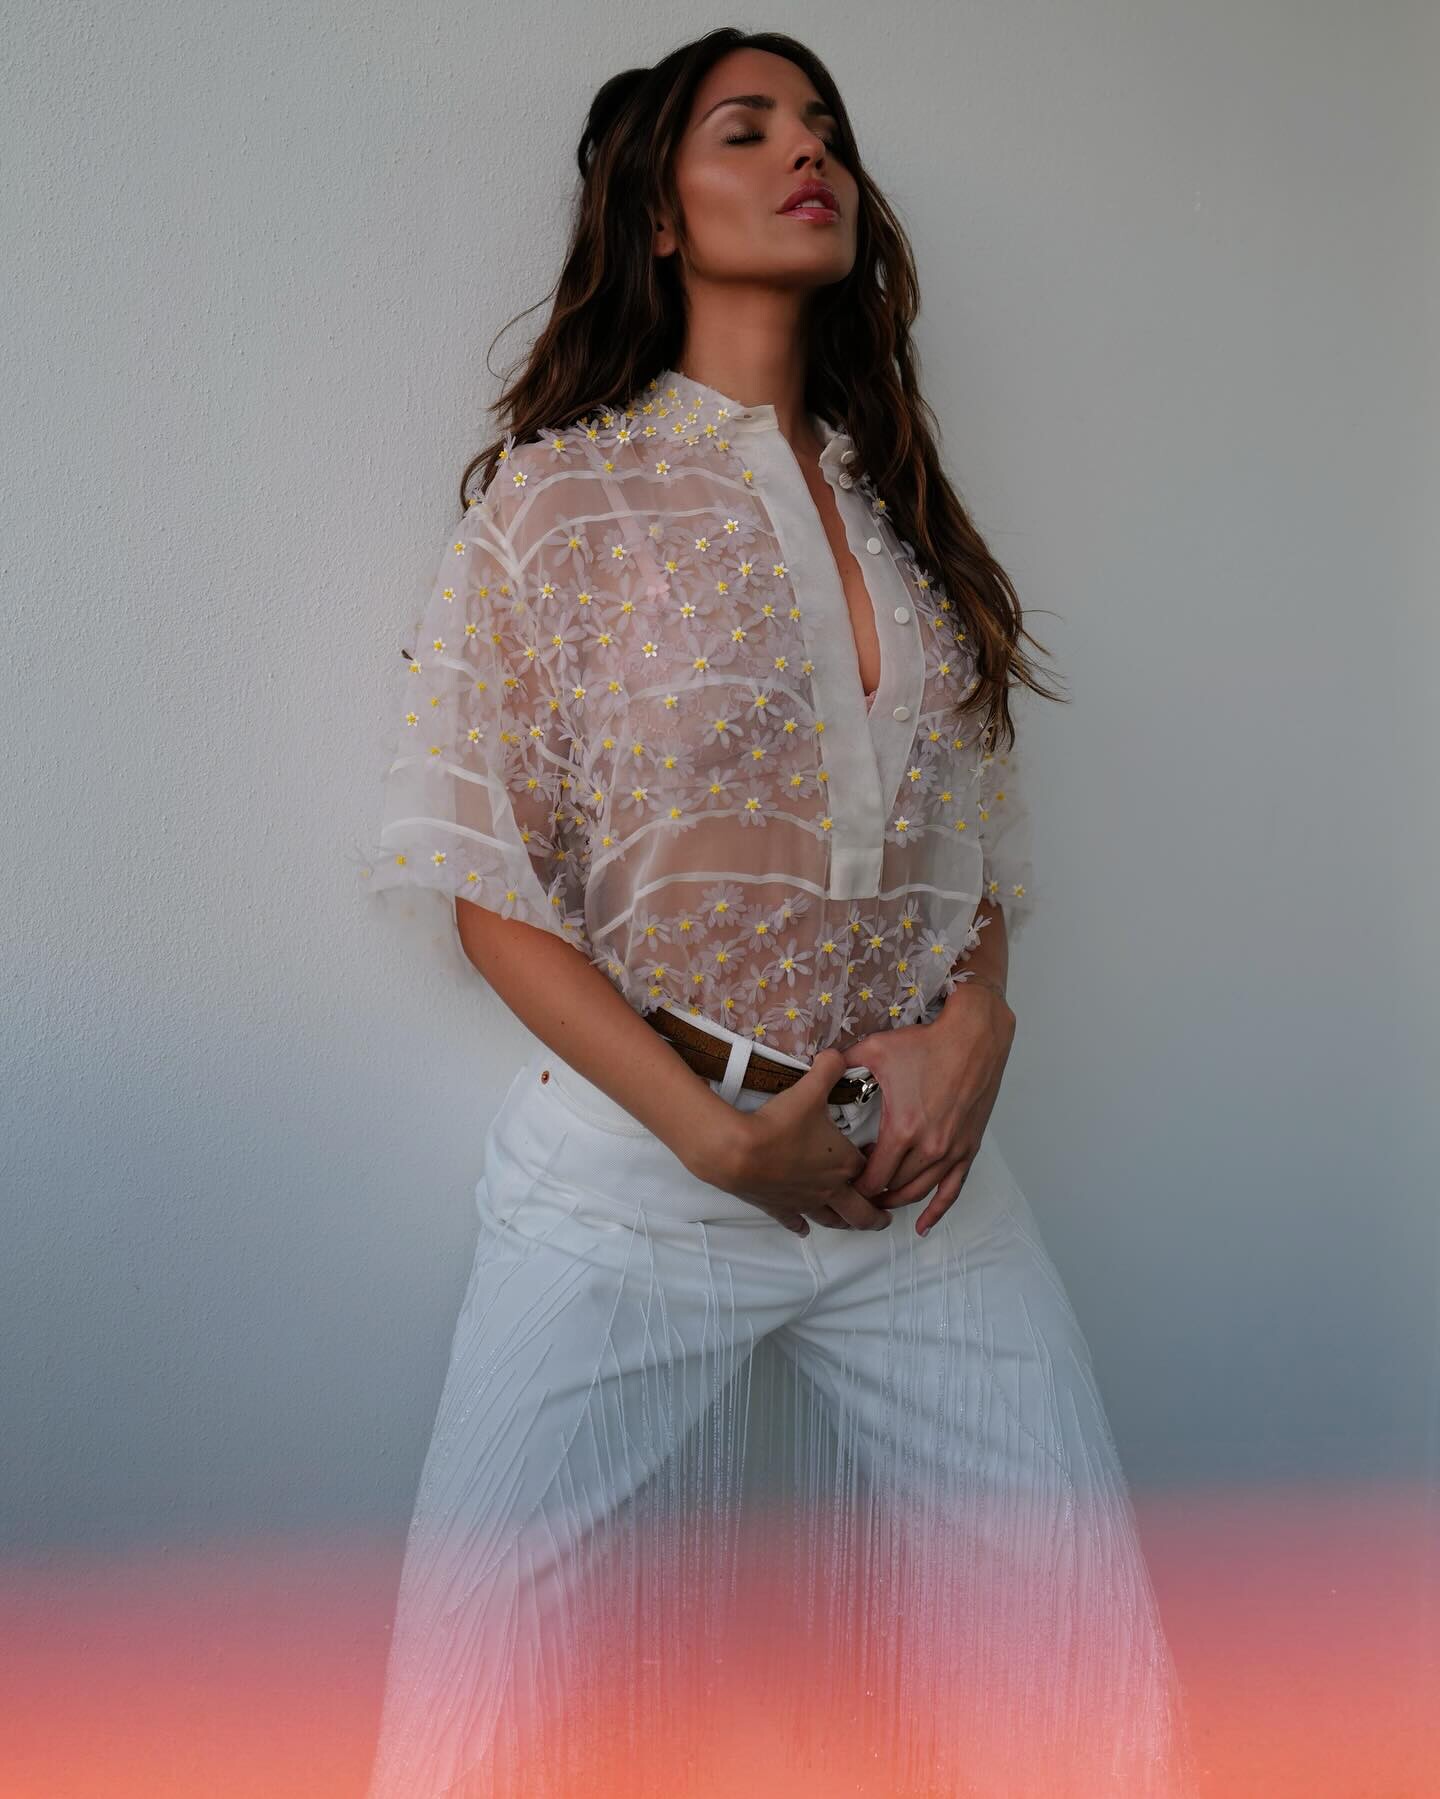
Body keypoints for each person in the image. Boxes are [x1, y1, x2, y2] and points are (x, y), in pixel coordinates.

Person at [354, 27, 1198, 1799]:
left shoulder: (906, 517)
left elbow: (971, 854)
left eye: (824, 128)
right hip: (635, 1176)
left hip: (914, 1183)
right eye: (746, 130)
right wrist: (715, 1143)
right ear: (657, 216)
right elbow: (486, 885)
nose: (806, 152)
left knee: (1081, 1687)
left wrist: (982, 1020)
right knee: (482, 1720)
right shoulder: (558, 501)